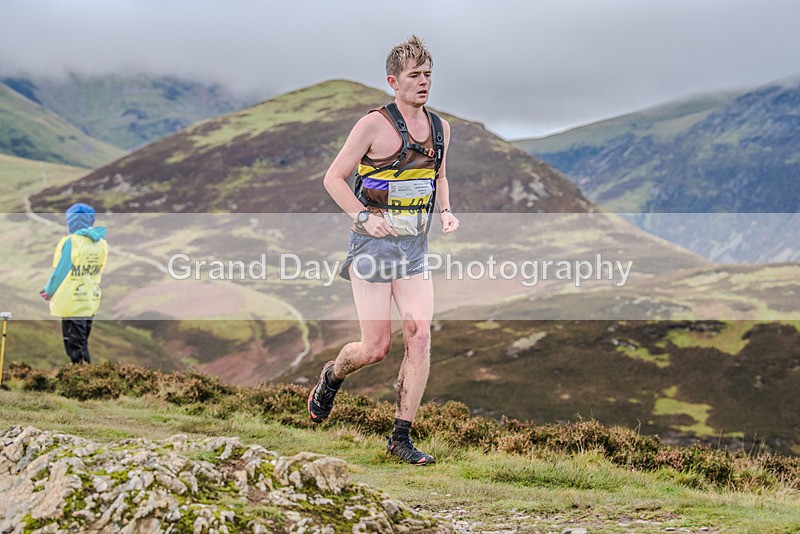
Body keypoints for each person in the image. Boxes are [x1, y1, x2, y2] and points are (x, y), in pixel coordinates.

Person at [309, 35, 459, 465]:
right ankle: (332, 376)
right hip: (372, 246)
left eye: (428, 74)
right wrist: (363, 216)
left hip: (414, 248)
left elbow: (438, 177)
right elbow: (333, 179)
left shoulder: (441, 129)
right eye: (414, 75)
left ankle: (400, 438)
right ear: (393, 81)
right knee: (375, 348)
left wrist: (446, 211)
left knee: (420, 333)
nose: (423, 82)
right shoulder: (373, 125)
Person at [40, 203, 108, 364]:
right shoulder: (101, 243)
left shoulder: (72, 242)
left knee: (75, 345)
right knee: (82, 342)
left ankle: (82, 375)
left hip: (72, 300)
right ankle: (84, 374)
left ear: (71, 222)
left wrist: (49, 291)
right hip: (90, 299)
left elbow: (60, 271)